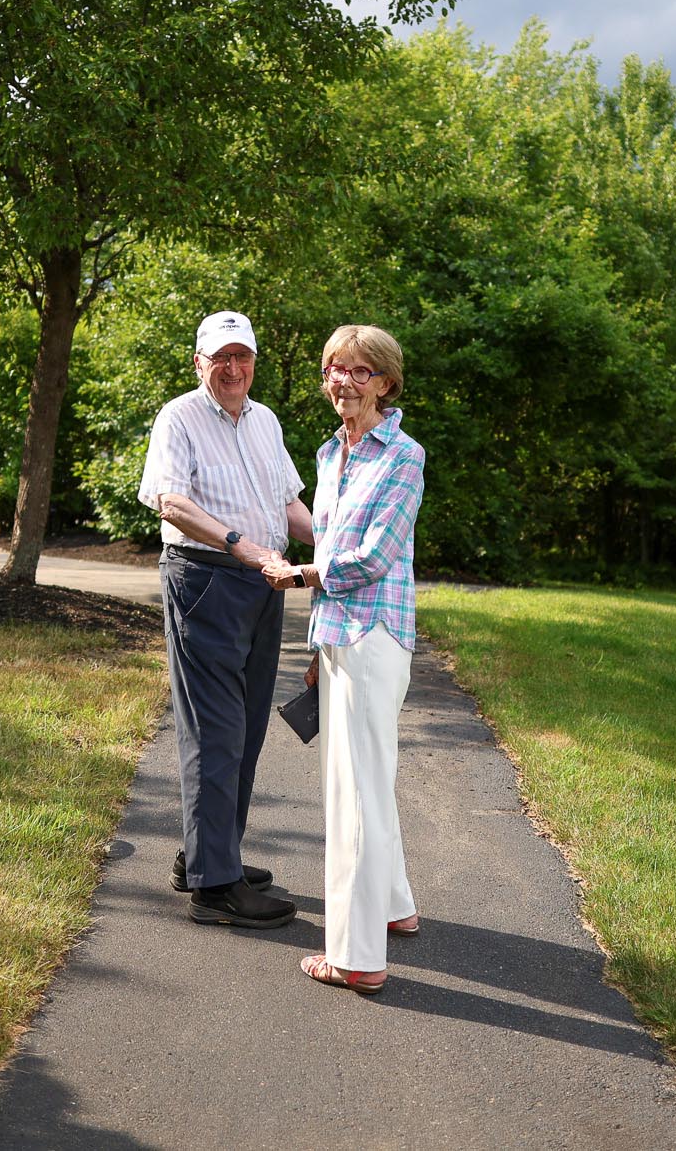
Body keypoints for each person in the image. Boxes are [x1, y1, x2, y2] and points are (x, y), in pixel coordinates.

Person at [261, 324, 424, 994]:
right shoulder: (333, 453)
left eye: (361, 372)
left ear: (386, 381)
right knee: (369, 779)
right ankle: (393, 907)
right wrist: (314, 649)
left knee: (352, 795)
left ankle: (356, 959)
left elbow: (373, 556)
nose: (345, 382)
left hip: (376, 637)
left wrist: (300, 576)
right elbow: (330, 534)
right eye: (335, 369)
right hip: (340, 635)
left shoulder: (403, 455)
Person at [139, 310, 314, 928]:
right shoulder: (179, 417)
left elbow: (288, 504)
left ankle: (210, 855)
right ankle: (216, 889)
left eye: (243, 357)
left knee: (246, 726)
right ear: (200, 363)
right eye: (221, 358)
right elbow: (171, 500)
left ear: (254, 363)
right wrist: (240, 544)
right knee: (217, 730)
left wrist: (341, 543)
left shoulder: (264, 419)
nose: (233, 368)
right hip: (207, 580)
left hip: (266, 583)